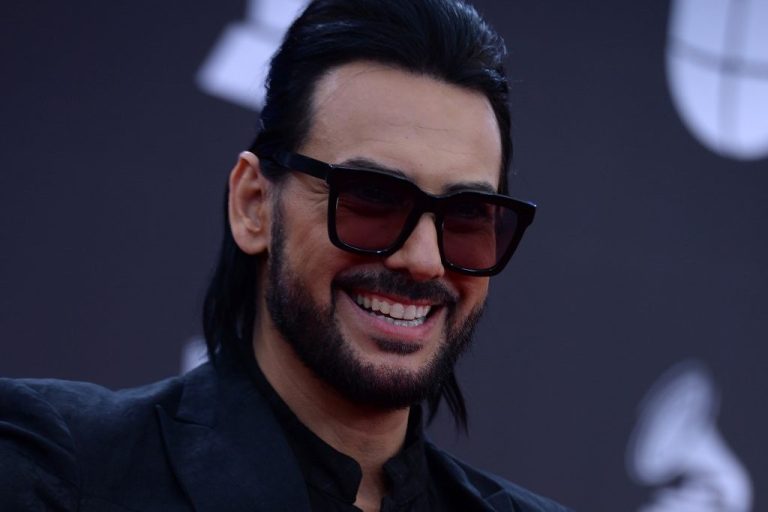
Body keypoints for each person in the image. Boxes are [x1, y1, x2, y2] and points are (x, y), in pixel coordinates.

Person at [0, 0, 572, 510]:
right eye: (371, 198)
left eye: (467, 215)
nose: (424, 260)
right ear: (254, 205)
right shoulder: (61, 467)